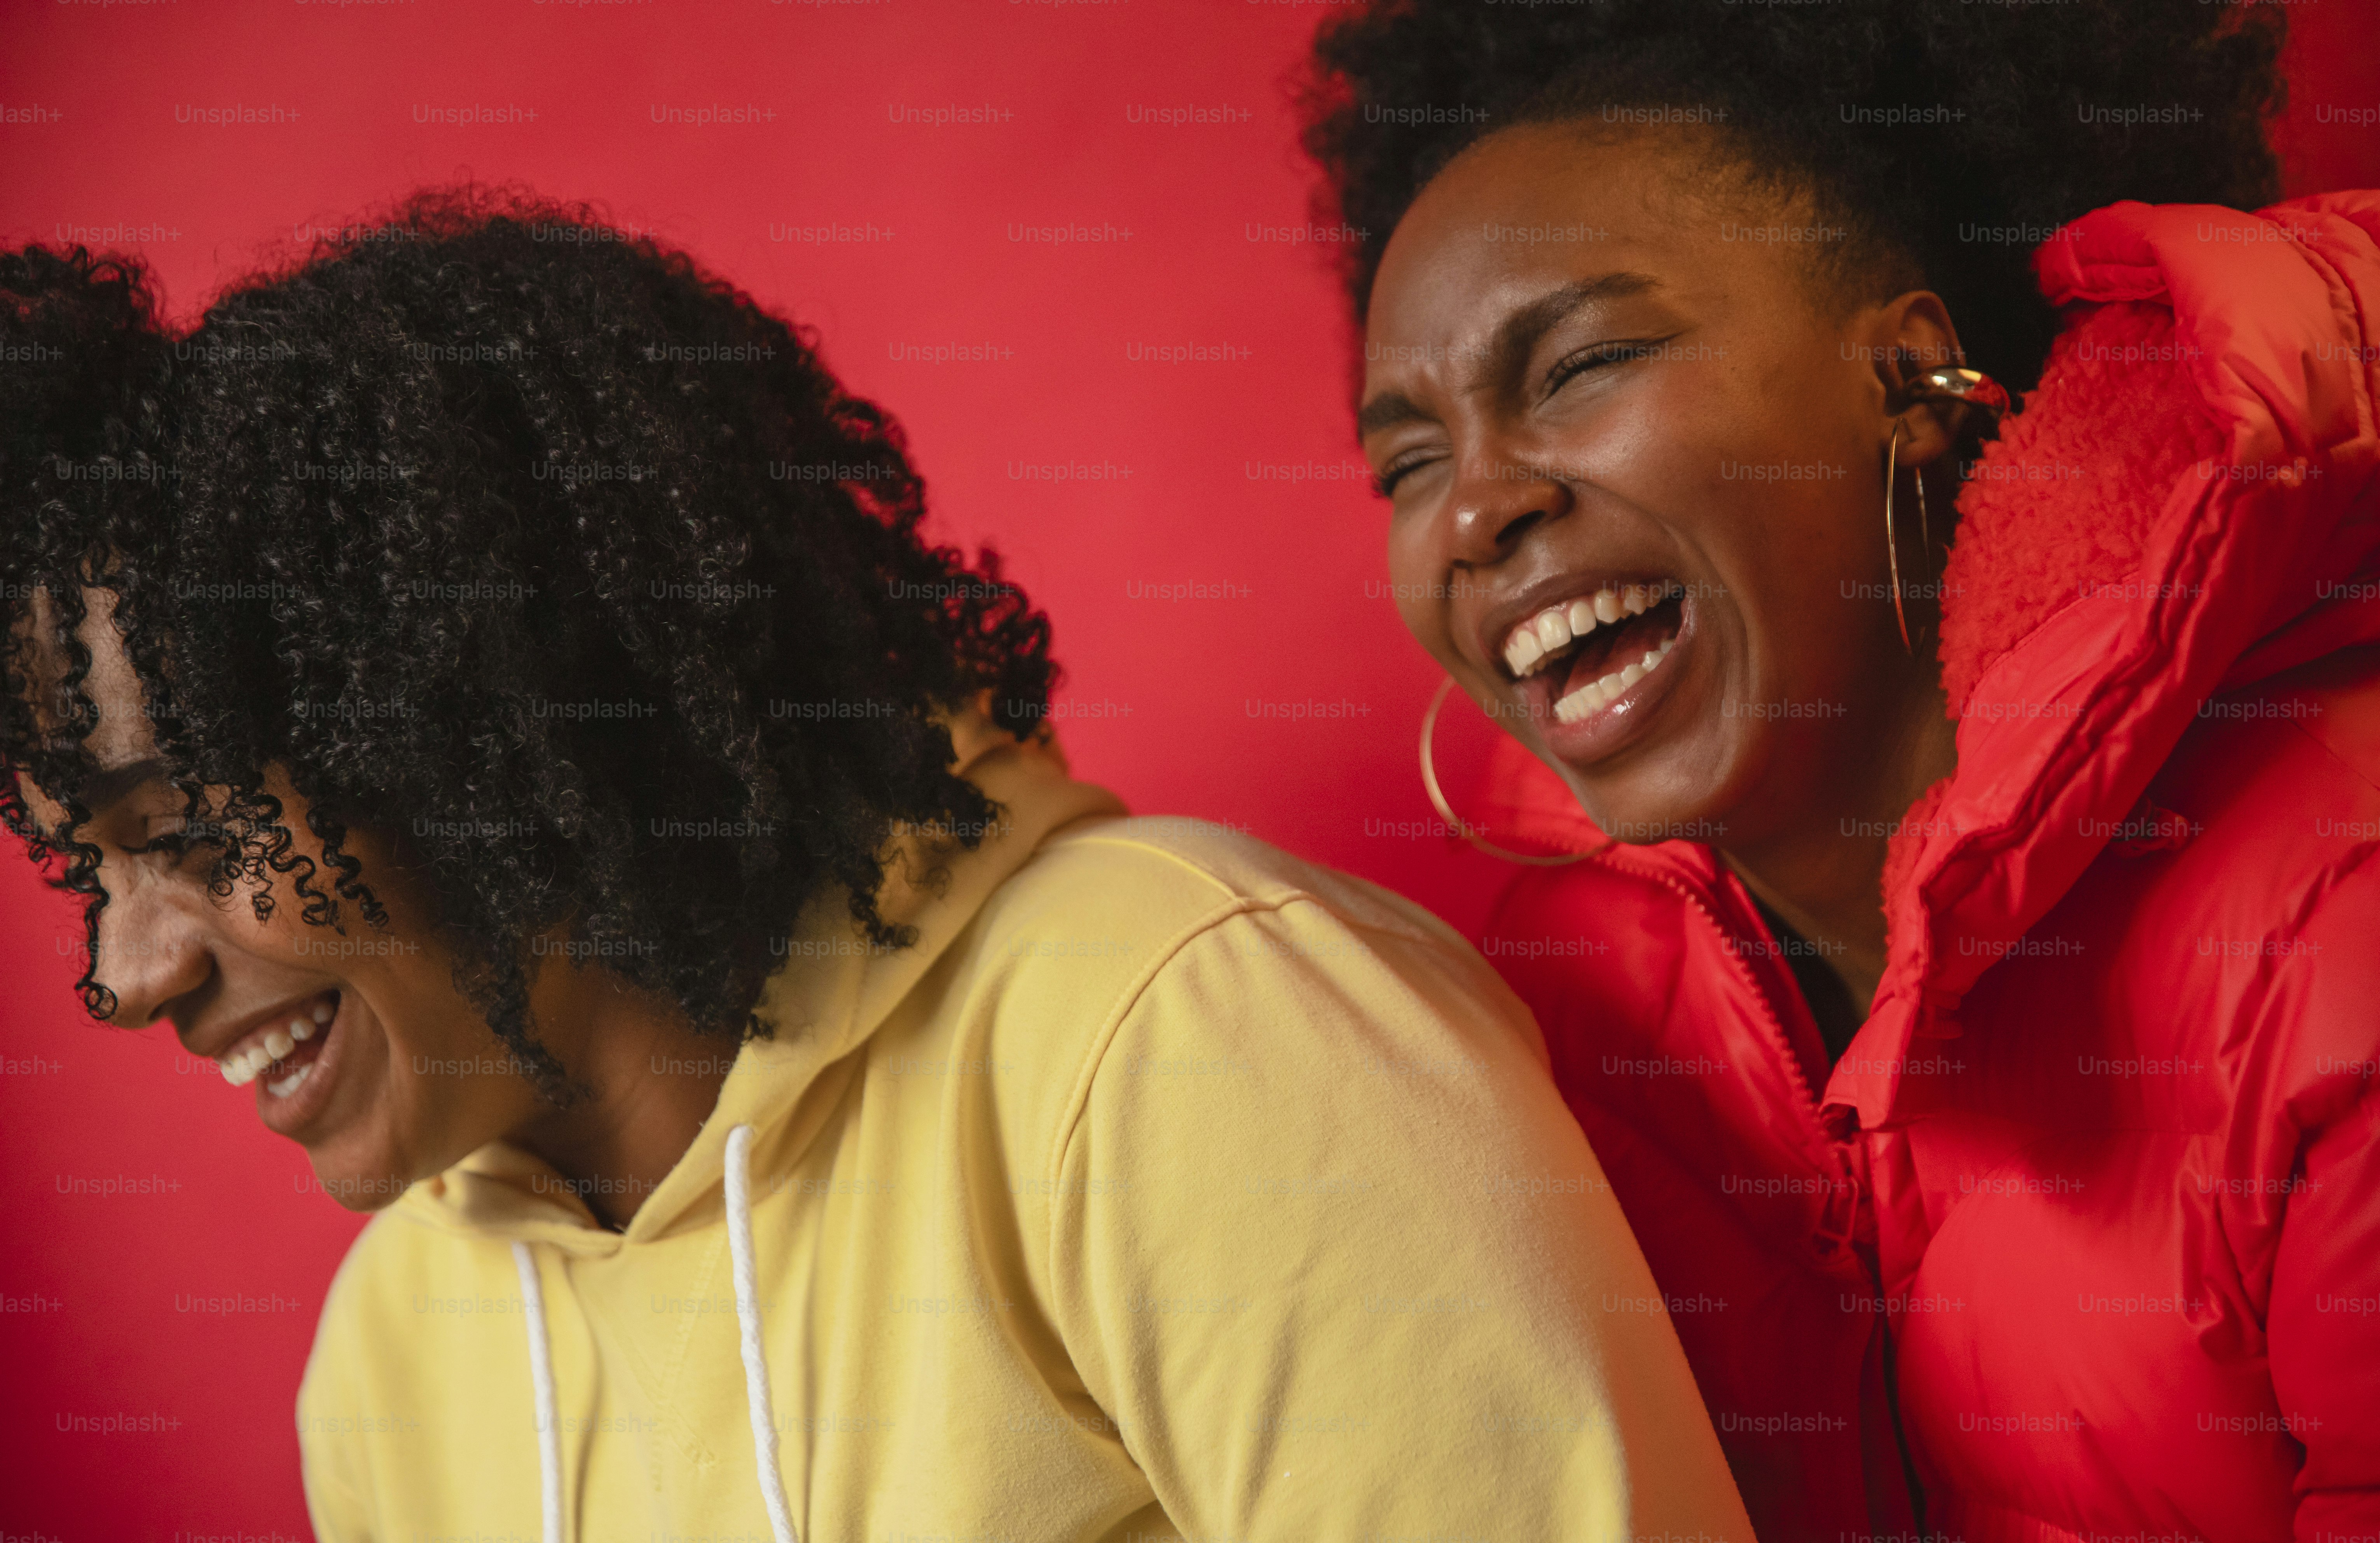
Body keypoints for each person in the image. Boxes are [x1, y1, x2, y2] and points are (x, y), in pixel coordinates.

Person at [0, 193, 1753, 1540]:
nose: (134, 969)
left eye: (186, 832)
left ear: (479, 717)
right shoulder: (397, 1349)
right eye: (91, 873)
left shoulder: (1177, 1031)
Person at [1303, 0, 2380, 1538]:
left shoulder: (2332, 914)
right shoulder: (1548, 1030)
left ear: (1908, 379)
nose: (1473, 510)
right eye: (1409, 460)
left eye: (1581, 366)